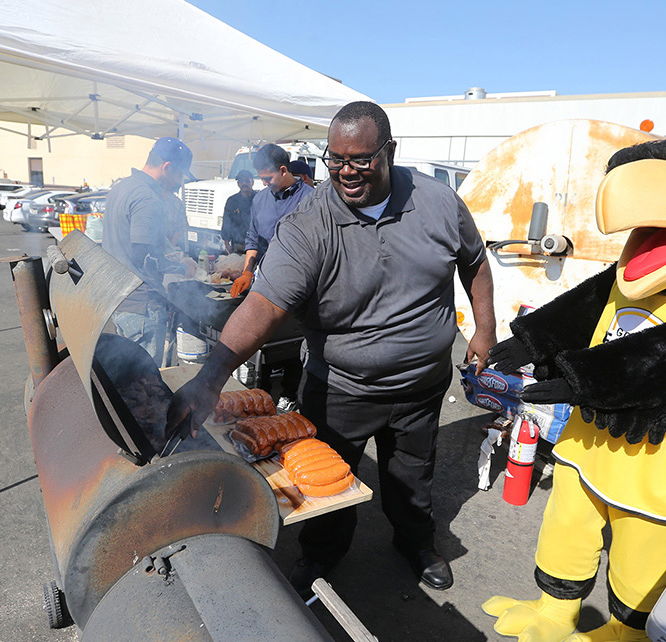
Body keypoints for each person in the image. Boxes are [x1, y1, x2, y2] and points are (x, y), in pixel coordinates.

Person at [168, 101, 496, 597]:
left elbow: (475, 262)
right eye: (335, 159)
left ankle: (416, 543)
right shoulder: (308, 222)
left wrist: (485, 328)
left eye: (361, 159)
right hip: (342, 389)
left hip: (422, 385)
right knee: (327, 484)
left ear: (390, 152)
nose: (346, 172)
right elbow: (263, 306)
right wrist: (210, 377)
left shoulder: (439, 202)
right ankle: (321, 556)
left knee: (413, 476)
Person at [103, 136, 196, 366]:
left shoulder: (121, 187)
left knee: (128, 375)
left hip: (117, 297)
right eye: (180, 175)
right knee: (145, 382)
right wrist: (182, 267)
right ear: (168, 168)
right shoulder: (147, 198)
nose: (179, 182)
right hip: (141, 304)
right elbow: (144, 257)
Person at [228, 144, 314, 298]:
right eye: (261, 178)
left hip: (300, 284)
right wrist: (247, 273)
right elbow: (253, 239)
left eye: (268, 178)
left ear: (283, 170)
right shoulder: (260, 199)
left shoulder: (311, 199)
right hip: (265, 280)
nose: (264, 183)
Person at [221, 169, 256, 254]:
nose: (244, 184)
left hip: (256, 244)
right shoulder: (232, 201)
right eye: (241, 181)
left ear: (252, 182)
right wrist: (226, 242)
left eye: (247, 181)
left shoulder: (259, 198)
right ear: (238, 184)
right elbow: (227, 221)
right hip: (237, 244)